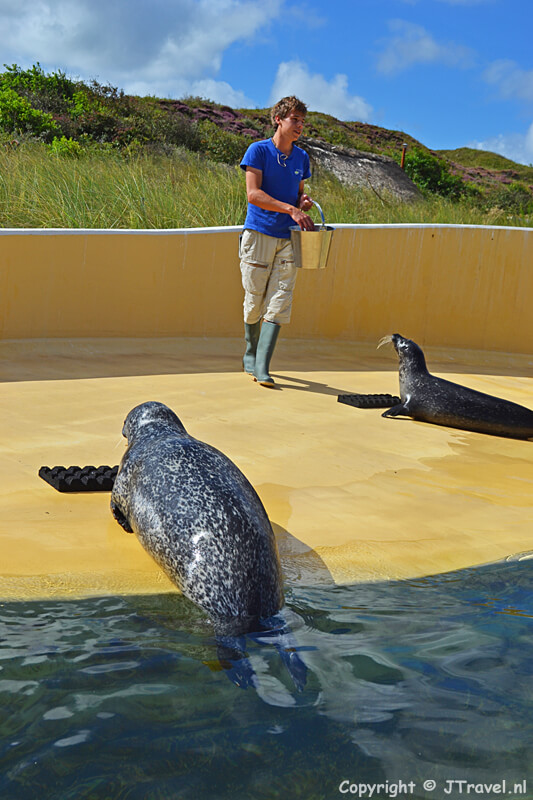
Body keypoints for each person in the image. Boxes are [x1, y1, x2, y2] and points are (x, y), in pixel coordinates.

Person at [239, 95, 315, 388]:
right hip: (258, 234)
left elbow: (298, 195)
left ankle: (262, 365)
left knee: (281, 299)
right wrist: (291, 209)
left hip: (288, 238)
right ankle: (250, 352)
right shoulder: (257, 151)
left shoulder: (301, 158)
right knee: (254, 298)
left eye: (302, 122)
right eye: (294, 120)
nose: (299, 126)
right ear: (278, 119)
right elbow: (253, 195)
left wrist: (302, 202)